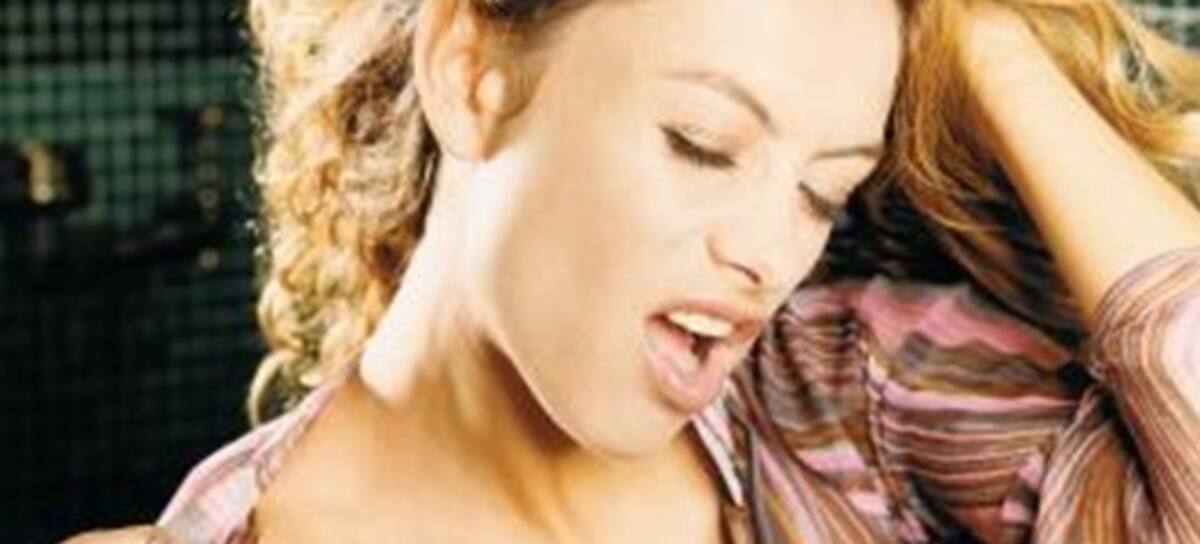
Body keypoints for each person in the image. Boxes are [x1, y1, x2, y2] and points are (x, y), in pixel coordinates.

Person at [65, 0, 1200, 542]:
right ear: (474, 74)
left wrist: (980, 39)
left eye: (823, 192)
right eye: (703, 144)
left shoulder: (851, 402)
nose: (768, 253)